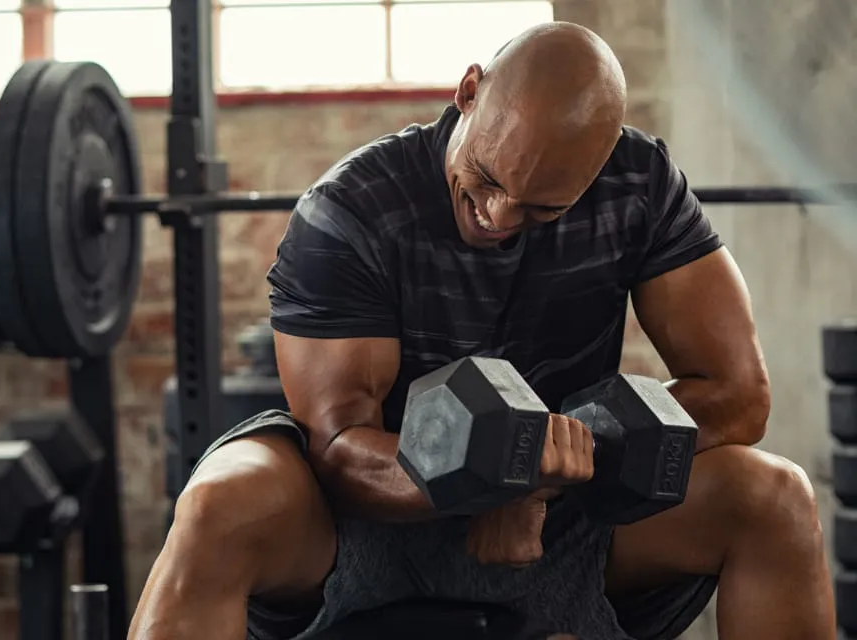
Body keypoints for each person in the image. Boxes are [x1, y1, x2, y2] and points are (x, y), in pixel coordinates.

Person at [128, 21, 835, 640]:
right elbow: (340, 450)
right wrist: (498, 481)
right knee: (220, 502)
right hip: (365, 527)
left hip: (566, 522)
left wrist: (547, 478)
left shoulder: (639, 186)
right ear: (469, 91)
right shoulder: (352, 209)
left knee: (773, 498)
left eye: (541, 209)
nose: (497, 216)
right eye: (487, 179)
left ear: (599, 168)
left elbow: (739, 396)